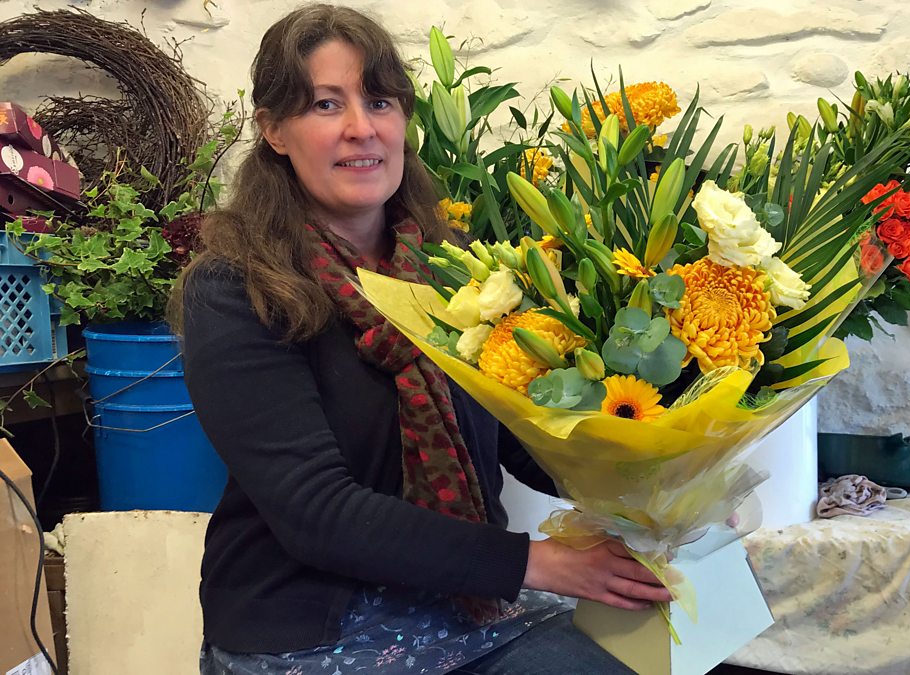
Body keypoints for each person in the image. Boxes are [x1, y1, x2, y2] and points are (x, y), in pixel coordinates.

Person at [171, 5, 672, 674]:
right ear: (274, 130)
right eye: (326, 104)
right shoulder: (236, 288)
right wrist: (537, 562)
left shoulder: (451, 269)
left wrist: (658, 492)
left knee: (665, 653)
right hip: (308, 627)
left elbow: (519, 437)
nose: (362, 127)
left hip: (464, 606)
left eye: (379, 100)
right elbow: (316, 512)